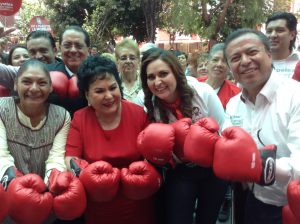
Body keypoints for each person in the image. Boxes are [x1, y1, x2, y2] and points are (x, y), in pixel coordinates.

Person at [65, 55, 159, 224]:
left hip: (138, 204)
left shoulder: (138, 114)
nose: (108, 96)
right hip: (98, 207)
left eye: (112, 88)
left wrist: (145, 174)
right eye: (99, 91)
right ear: (87, 95)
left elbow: (151, 154)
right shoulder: (80, 118)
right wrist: (88, 176)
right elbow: (71, 158)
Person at [139, 49, 227, 224]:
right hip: (179, 172)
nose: (158, 82)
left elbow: (223, 129)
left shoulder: (203, 93)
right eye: (151, 77)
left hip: (213, 170)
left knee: (207, 220)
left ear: (176, 73)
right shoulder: (145, 103)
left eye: (163, 74)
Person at [223, 28, 300, 224]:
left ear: (268, 54)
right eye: (235, 57)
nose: (245, 61)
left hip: (291, 207)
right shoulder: (233, 105)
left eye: (251, 52)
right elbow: (226, 145)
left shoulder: (295, 95)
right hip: (252, 200)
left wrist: (258, 165)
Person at [0, 59, 71, 222]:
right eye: (26, 81)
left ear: (51, 87)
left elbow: (56, 158)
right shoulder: (1, 108)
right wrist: (14, 185)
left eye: (41, 83)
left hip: (46, 202)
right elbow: (1, 155)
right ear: (16, 84)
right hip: (7, 201)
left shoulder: (62, 115)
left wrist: (54, 183)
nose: (34, 88)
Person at [197, 43, 240, 109]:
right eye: (215, 60)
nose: (219, 64)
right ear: (207, 63)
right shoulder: (194, 85)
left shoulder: (235, 94)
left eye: (224, 61)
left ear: (230, 67)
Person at [265, 11, 299, 78]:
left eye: (280, 30)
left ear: (292, 35)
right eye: (269, 31)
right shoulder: (256, 61)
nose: (273, 35)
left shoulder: (298, 61)